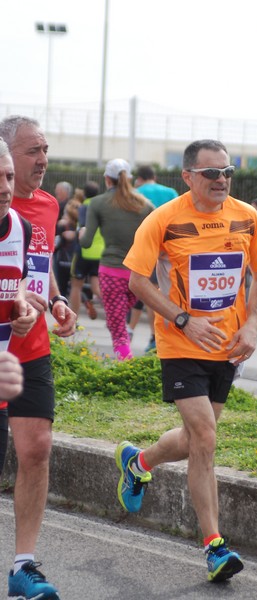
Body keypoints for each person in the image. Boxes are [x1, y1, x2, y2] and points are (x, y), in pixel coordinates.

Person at [115, 139, 257, 582]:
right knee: (205, 438)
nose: (221, 180)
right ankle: (215, 547)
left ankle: (138, 463)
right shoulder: (164, 220)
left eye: (227, 172)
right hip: (180, 344)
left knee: (193, 441)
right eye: (211, 173)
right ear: (188, 177)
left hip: (227, 346)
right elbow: (137, 281)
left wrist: (252, 325)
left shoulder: (247, 217)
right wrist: (183, 320)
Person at [0, 115, 77, 600]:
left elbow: (37, 269)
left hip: (28, 347)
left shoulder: (47, 207)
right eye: (31, 151)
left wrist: (54, 301)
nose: (41, 160)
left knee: (37, 448)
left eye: (44, 149)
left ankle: (23, 564)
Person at [79, 158, 154, 360]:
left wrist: (81, 233)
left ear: (107, 179)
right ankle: (127, 360)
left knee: (117, 328)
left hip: (111, 272)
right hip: (139, 275)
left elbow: (86, 242)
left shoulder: (97, 203)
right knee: (119, 321)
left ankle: (125, 366)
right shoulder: (145, 205)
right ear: (129, 178)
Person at [0, 136, 37, 479]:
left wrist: (20, 304)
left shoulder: (20, 228)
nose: (4, 188)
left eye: (9, 177)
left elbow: (19, 279)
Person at [133, 165, 179, 352]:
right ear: (155, 176)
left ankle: (153, 336)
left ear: (140, 178)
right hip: (171, 250)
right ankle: (164, 336)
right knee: (167, 293)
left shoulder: (136, 192)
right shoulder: (171, 192)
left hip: (146, 248)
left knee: (149, 295)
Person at [69, 180, 103, 320]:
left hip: (84, 250)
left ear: (84, 193)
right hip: (100, 252)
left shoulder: (84, 207)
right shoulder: (102, 207)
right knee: (96, 287)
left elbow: (82, 227)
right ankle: (116, 314)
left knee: (76, 286)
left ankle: (73, 319)